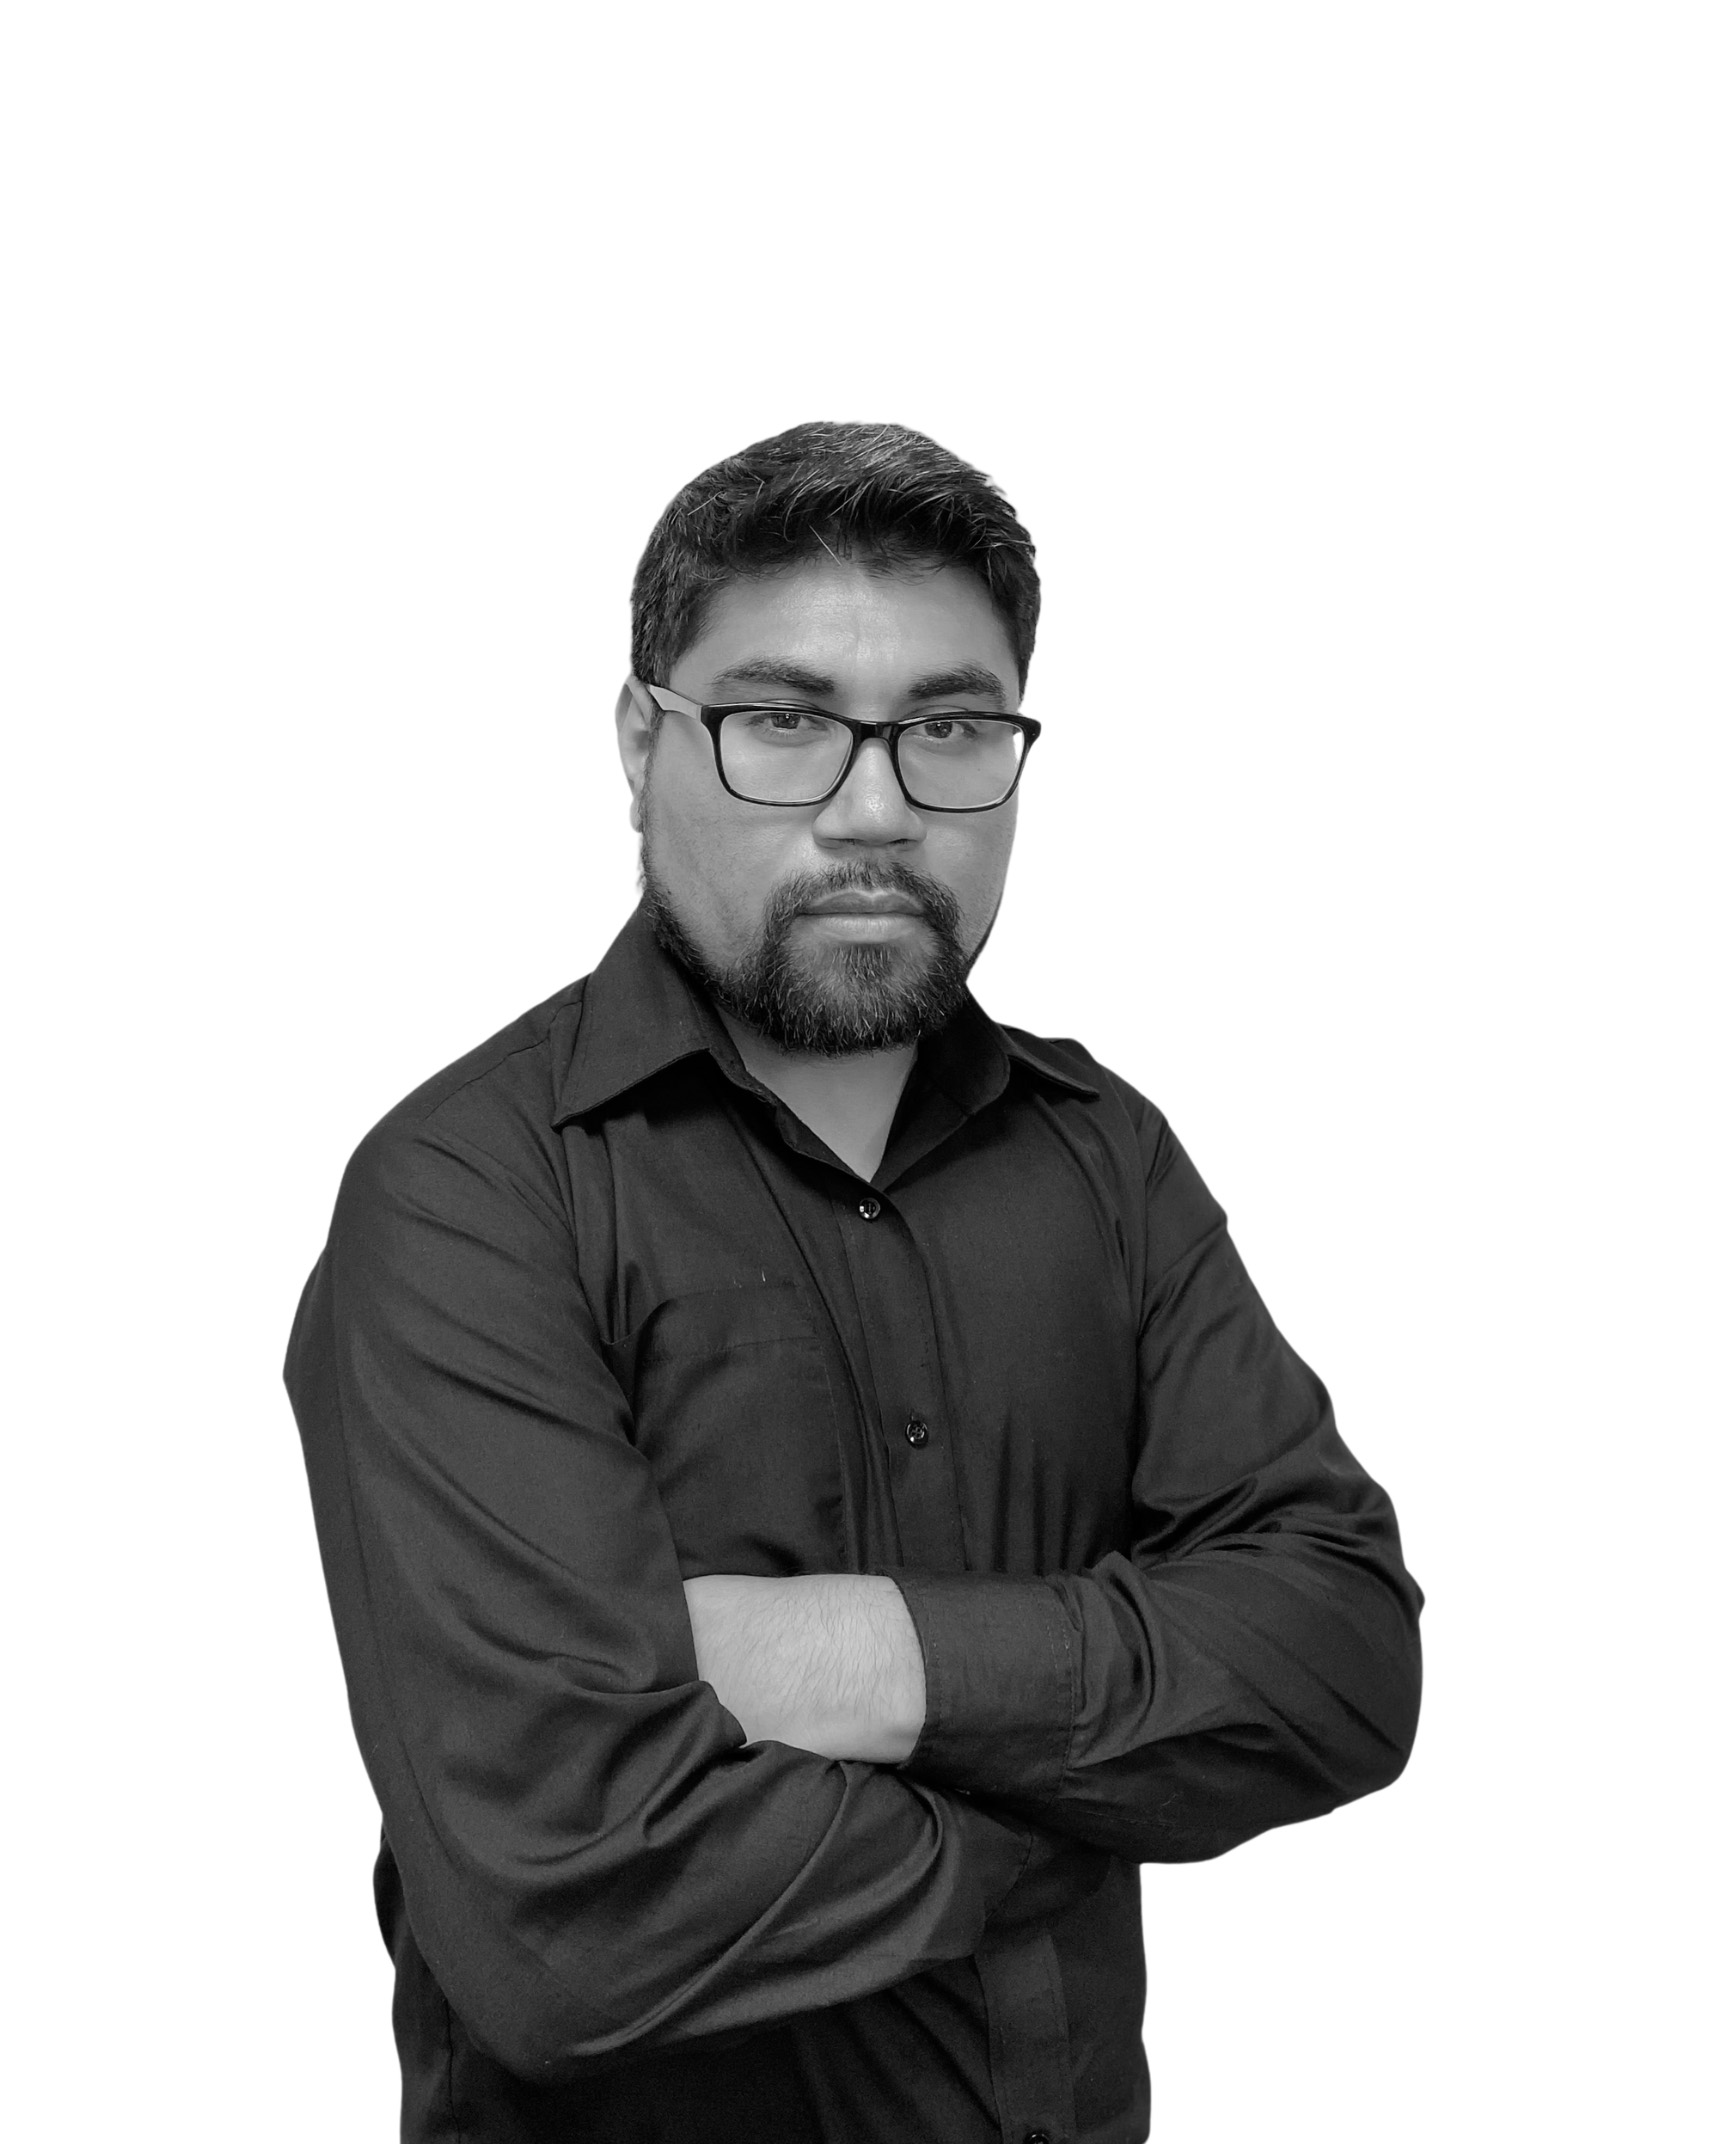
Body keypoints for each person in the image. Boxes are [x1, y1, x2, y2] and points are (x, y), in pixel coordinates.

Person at [285, 421, 1422, 2144]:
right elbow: (563, 1933)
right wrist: (1081, 1793)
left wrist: (854, 1657)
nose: (876, 809)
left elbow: (1341, 1659)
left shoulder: (1106, 1161)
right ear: (642, 743)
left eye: (950, 728)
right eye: (787, 723)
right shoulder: (468, 1198)